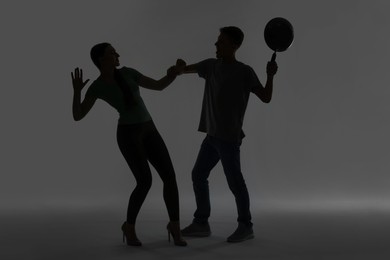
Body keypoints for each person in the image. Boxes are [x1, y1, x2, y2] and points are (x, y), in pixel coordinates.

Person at [71, 42, 187, 246]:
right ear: (101, 59)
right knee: (144, 182)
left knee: (169, 176)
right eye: (111, 52)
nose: (117, 54)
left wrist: (173, 74)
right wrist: (77, 91)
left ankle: (175, 227)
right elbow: (78, 115)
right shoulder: (97, 86)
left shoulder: (129, 73)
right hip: (128, 134)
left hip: (149, 129)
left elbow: (158, 86)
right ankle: (129, 226)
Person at [176, 26, 278, 243]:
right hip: (212, 136)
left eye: (221, 42)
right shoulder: (210, 66)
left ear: (234, 45)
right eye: (217, 41)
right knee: (198, 175)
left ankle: (246, 226)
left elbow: (266, 97)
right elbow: (185, 70)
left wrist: (270, 76)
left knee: (235, 183)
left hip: (229, 139)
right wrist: (179, 68)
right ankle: (201, 223)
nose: (216, 45)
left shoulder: (245, 71)